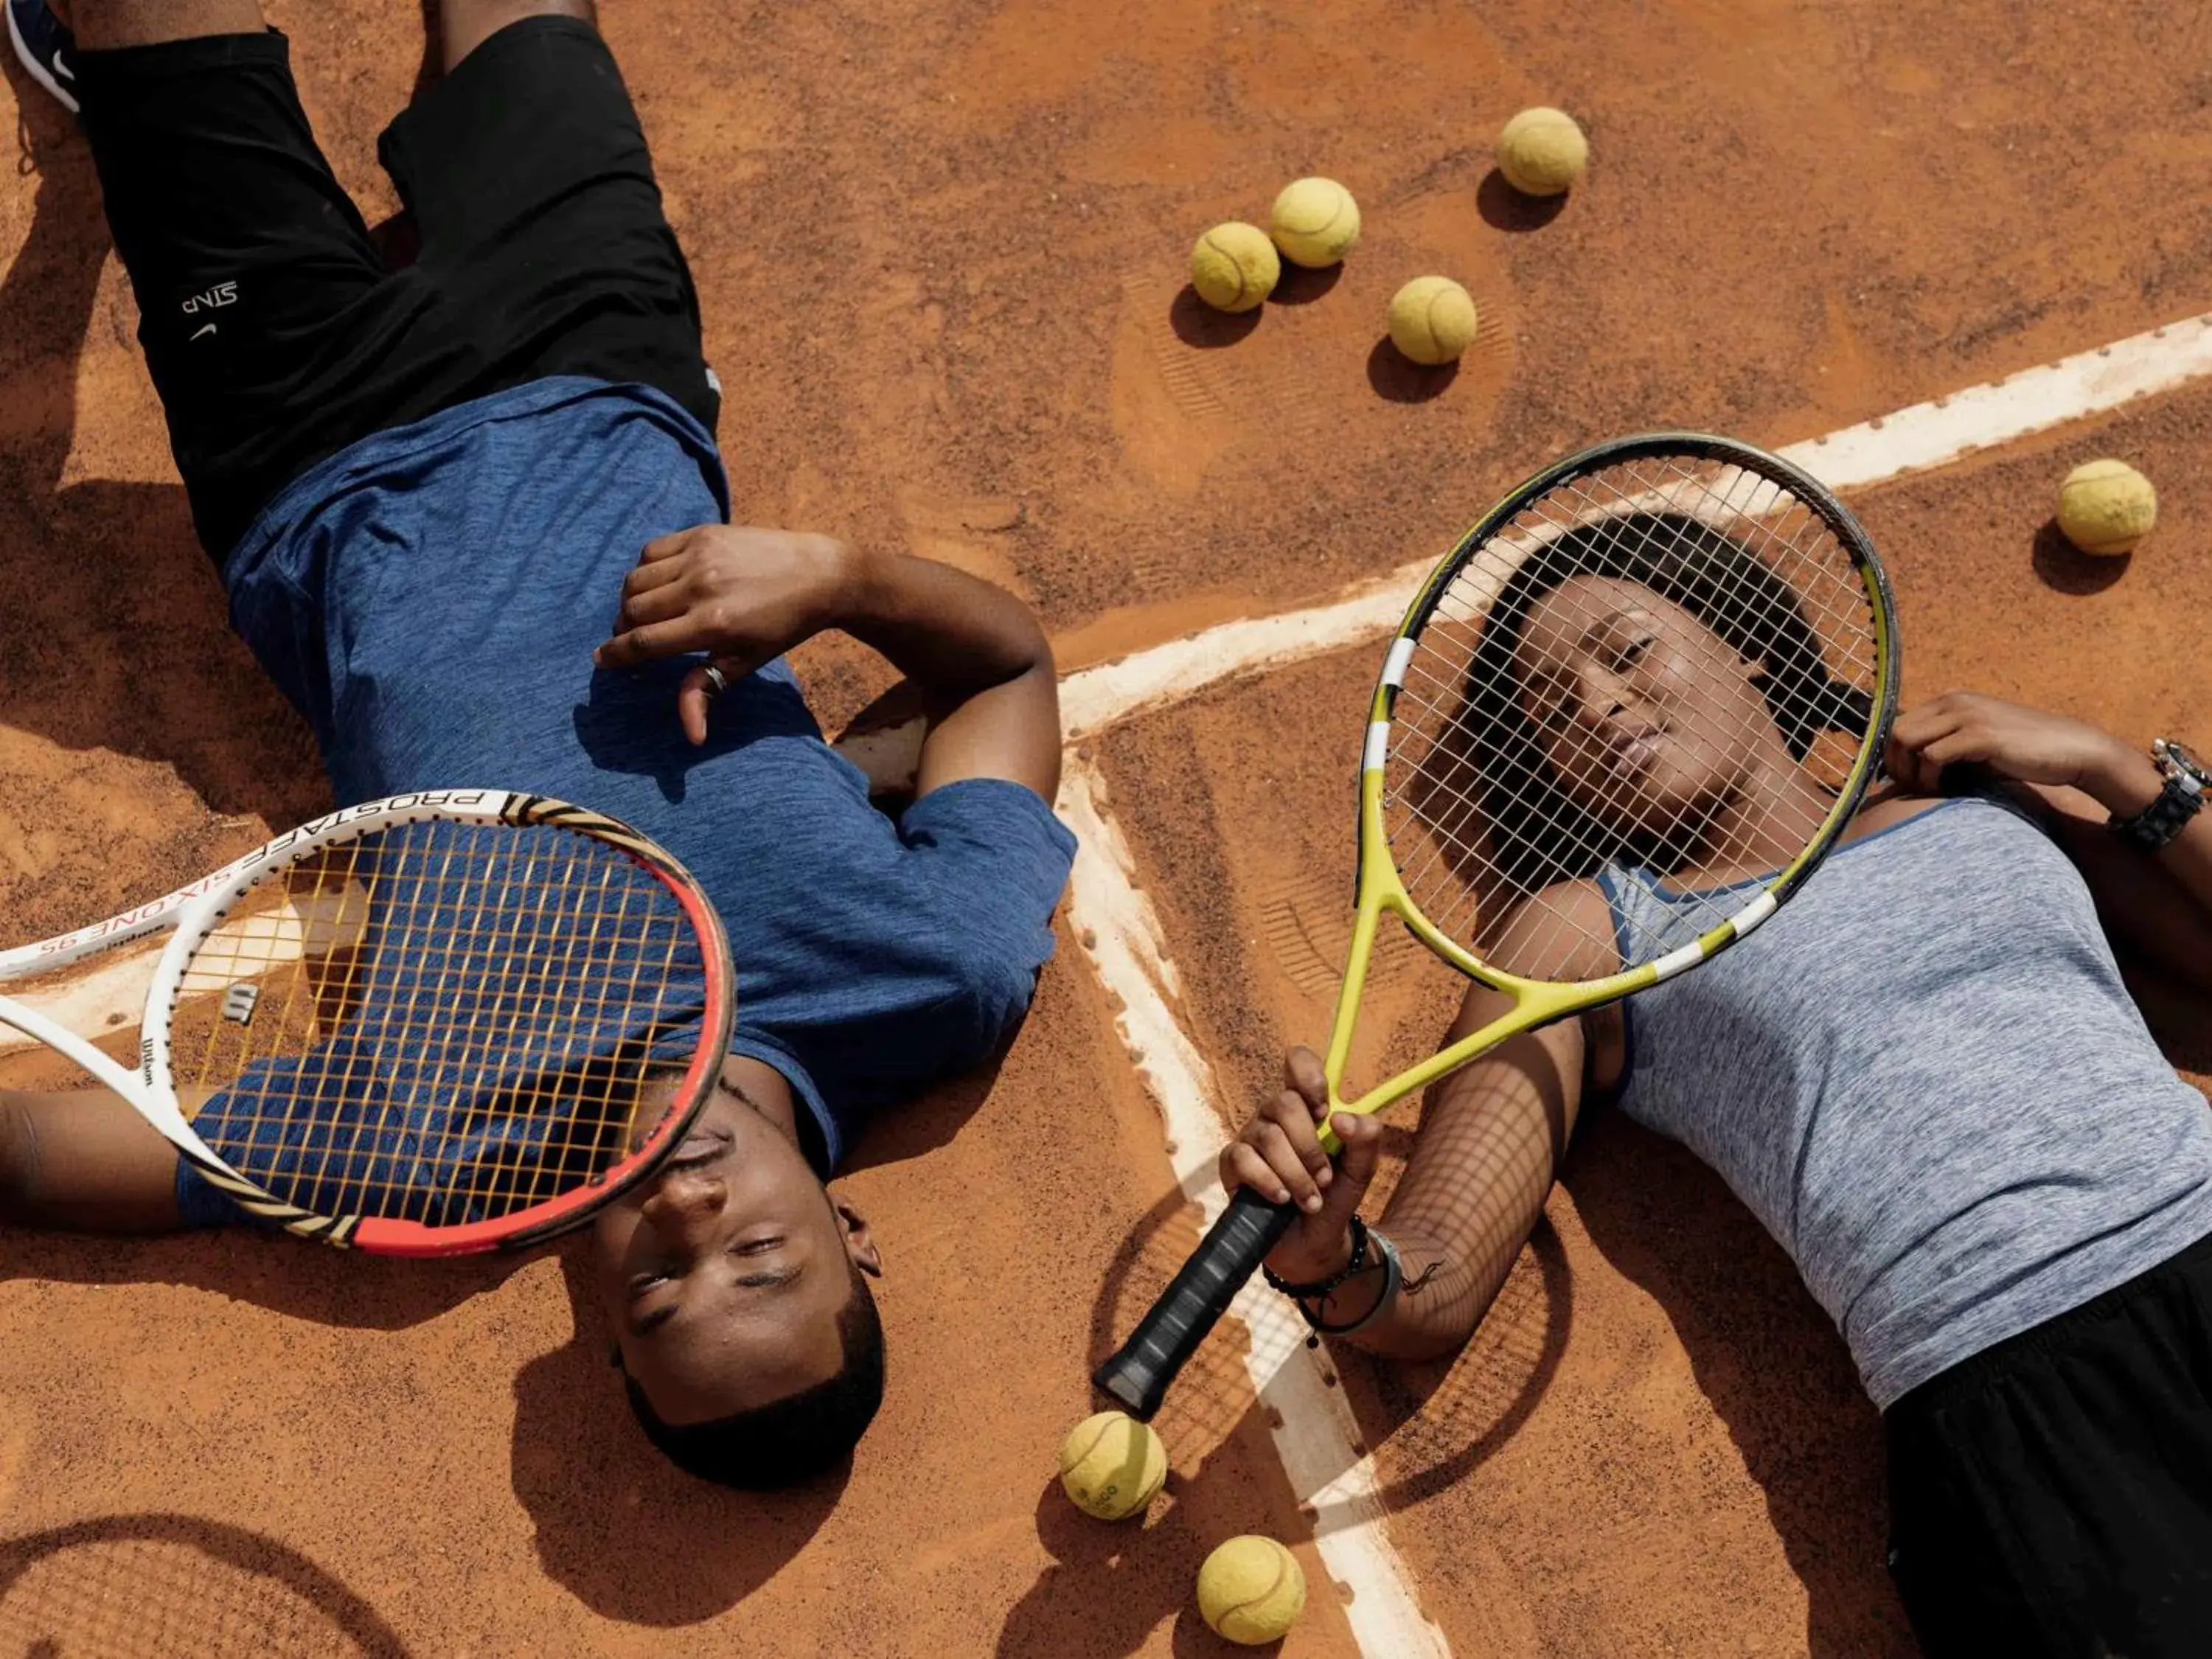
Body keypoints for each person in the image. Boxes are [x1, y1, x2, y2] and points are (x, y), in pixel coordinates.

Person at [0, 0, 1074, 1489]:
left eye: (658, 1292)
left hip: (304, 444)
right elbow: (1010, 667)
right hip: (597, 361)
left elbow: (41, 1159)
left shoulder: (434, 1147)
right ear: (852, 1233)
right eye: (761, 1258)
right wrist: (836, 578)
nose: (690, 1224)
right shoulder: (934, 971)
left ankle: (120, 96)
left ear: (599, 1337)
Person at [1219, 514, 2212, 1657]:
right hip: (2010, 1393)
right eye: (1552, 707)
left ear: (1743, 640)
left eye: (1627, 650)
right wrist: (1329, 1255)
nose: (1596, 703)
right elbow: (1432, 1276)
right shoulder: (1585, 934)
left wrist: (2113, 767)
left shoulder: (1981, 798)